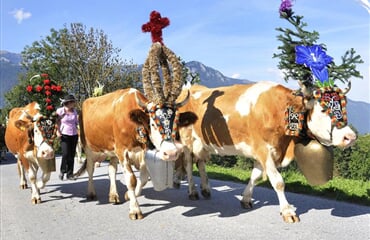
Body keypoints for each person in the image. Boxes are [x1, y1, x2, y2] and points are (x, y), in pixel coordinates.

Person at [56, 94, 79, 180]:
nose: (74, 103)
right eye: (73, 102)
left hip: (74, 134)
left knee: (72, 155)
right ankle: (62, 170)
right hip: (64, 133)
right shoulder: (60, 111)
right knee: (65, 154)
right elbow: (57, 122)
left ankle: (70, 174)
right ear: (68, 103)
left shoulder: (75, 111)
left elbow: (76, 122)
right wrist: (58, 131)